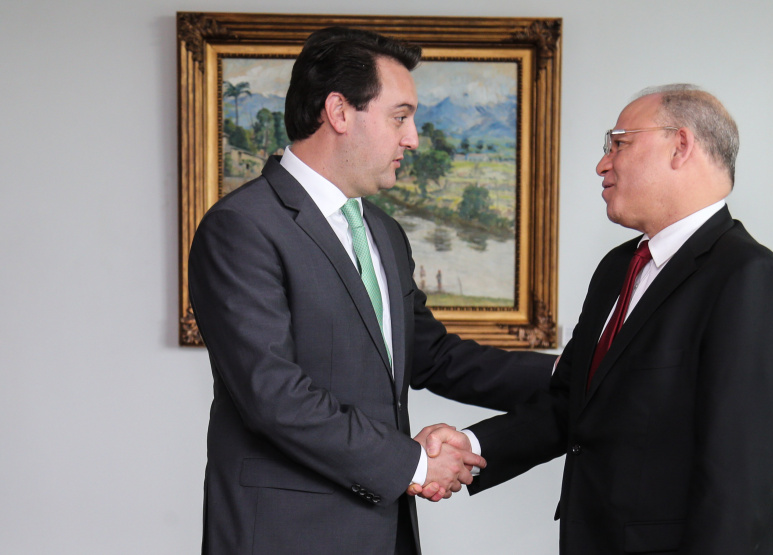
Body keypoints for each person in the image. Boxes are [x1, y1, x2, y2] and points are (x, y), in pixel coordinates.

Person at [188, 27, 553, 555]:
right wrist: (416, 463)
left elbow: (432, 355)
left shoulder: (382, 231)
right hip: (283, 534)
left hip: (384, 530)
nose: (414, 138)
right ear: (339, 112)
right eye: (400, 116)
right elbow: (273, 395)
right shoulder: (242, 226)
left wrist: (572, 373)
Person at [425, 84, 773, 553]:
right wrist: (471, 447)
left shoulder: (749, 279)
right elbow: (573, 406)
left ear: (680, 146)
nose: (603, 163)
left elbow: (739, 480)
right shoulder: (617, 268)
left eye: (619, 143)